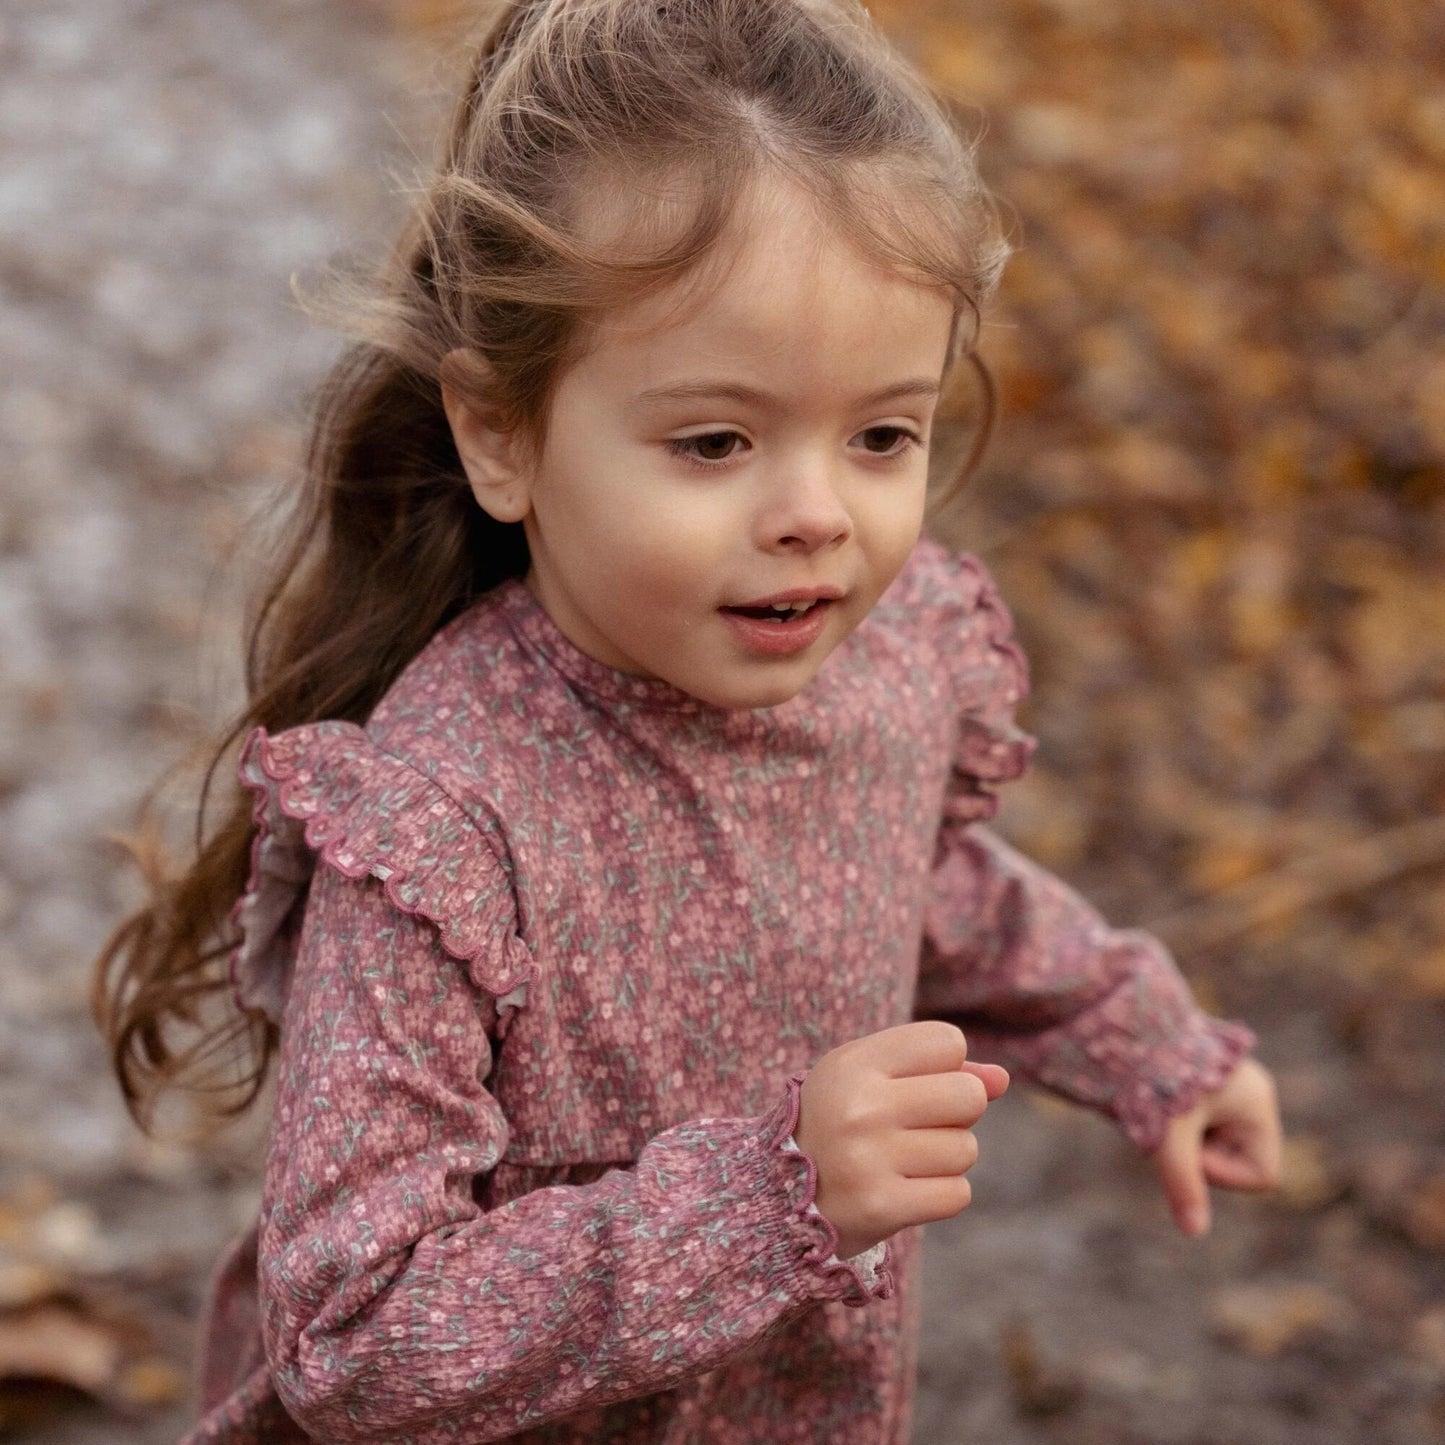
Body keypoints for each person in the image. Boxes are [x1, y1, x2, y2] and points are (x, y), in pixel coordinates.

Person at [94, 0, 1283, 1439]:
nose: (812, 517)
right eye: (714, 441)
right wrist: (773, 1192)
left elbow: (914, 883)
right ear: (501, 433)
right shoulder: (442, 826)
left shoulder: (888, 665)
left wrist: (1141, 1040)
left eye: (880, 436)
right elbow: (355, 1330)